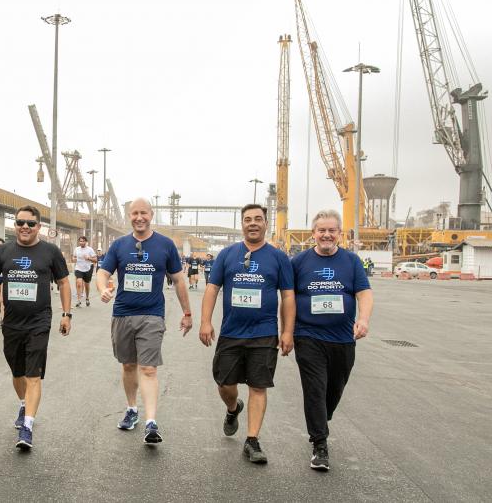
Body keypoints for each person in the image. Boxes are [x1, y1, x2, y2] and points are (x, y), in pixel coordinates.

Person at [199, 203, 295, 464]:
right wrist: (205, 322)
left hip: (264, 333)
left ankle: (252, 440)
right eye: (248, 219)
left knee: (258, 386)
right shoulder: (227, 254)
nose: (253, 223)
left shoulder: (278, 257)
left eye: (258, 219)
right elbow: (212, 289)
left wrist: (288, 331)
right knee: (225, 384)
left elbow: (287, 295)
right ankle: (233, 408)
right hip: (232, 332)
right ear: (242, 224)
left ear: (266, 223)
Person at [96, 198, 192, 445]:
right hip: (122, 314)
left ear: (151, 215)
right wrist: (102, 289)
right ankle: (132, 409)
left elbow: (179, 280)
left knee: (148, 368)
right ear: (130, 216)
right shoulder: (119, 245)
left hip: (152, 315)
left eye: (144, 213)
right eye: (134, 213)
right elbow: (103, 272)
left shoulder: (165, 245)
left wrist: (187, 313)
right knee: (128, 365)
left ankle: (151, 422)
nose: (139, 218)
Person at [0, 206, 72, 450]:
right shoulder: (3, 250)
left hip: (39, 321)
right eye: (20, 223)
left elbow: (63, 282)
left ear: (39, 226)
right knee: (17, 372)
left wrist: (66, 314)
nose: (25, 227)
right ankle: (23, 404)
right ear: (15, 225)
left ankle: (27, 426)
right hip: (11, 323)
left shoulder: (50, 251)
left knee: (33, 375)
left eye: (30, 223)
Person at [291, 209, 372, 471]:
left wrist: (363, 319)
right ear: (313, 233)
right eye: (321, 230)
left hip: (343, 339)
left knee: (334, 389)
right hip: (308, 336)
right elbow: (287, 296)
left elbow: (364, 293)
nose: (326, 235)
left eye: (331, 230)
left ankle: (322, 418)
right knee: (314, 388)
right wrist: (285, 331)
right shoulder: (299, 262)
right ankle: (320, 445)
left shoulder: (351, 261)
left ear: (339, 234)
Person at [72, 235, 98, 308]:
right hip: (78, 268)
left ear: (86, 242)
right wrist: (74, 259)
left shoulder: (90, 249)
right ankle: (79, 300)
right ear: (79, 242)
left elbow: (95, 260)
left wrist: (89, 258)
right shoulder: (76, 249)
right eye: (80, 241)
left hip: (87, 269)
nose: (82, 242)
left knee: (87, 285)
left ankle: (87, 298)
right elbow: (73, 257)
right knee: (79, 283)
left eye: (83, 241)